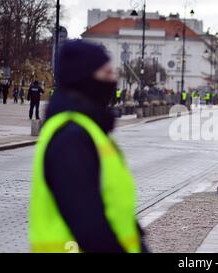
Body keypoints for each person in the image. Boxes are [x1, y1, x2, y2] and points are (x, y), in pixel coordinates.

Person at [29, 40, 148, 253]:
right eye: (107, 72)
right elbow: (87, 222)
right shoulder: (71, 135)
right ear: (84, 78)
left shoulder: (90, 128)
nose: (114, 79)